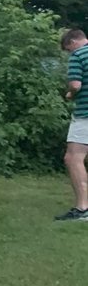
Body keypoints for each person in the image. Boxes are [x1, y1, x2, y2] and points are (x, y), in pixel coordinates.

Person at [56, 28, 88, 221]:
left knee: (73, 158)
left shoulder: (79, 55)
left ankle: (83, 209)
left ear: (72, 42)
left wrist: (70, 94)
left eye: (67, 49)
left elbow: (75, 85)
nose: (69, 53)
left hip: (86, 114)